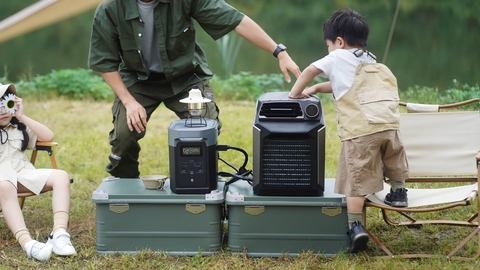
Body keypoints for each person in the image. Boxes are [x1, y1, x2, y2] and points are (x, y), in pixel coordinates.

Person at [88, 0, 301, 178]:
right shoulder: (110, 8)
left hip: (186, 77)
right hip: (138, 80)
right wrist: (129, 102)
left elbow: (236, 20)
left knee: (205, 129)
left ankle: (200, 184)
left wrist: (279, 52)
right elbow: (104, 62)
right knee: (124, 135)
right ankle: (125, 189)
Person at [288, 8, 409, 253]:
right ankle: (398, 192)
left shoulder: (337, 57)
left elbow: (310, 71)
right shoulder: (370, 59)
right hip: (389, 127)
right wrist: (317, 90)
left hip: (361, 132)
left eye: (329, 46)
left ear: (339, 42)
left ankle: (356, 227)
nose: (328, 51)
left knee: (356, 180)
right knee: (393, 158)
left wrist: (295, 93)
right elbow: (344, 84)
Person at [0, 83, 76, 261]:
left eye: (6, 104)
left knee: (61, 176)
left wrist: (22, 116)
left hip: (22, 175)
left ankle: (59, 233)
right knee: (5, 185)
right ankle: (27, 243)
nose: (2, 111)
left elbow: (48, 136)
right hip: (2, 181)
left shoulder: (18, 127)